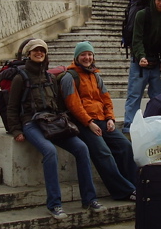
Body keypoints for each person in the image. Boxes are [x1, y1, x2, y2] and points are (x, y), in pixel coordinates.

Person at [6, 39, 106, 219]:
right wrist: (16, 130)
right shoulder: (20, 78)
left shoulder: (51, 78)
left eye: (42, 51)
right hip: (31, 123)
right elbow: (12, 107)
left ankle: (89, 199)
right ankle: (55, 204)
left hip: (52, 120)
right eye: (35, 50)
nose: (39, 53)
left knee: (82, 148)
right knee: (50, 151)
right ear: (29, 53)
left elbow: (59, 104)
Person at [61, 41, 137, 201]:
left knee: (125, 146)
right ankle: (123, 191)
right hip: (83, 124)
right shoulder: (70, 77)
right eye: (83, 54)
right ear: (76, 57)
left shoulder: (96, 75)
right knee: (103, 153)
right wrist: (89, 123)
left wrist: (110, 118)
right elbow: (73, 105)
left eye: (89, 54)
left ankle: (136, 185)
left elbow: (106, 99)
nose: (87, 57)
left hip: (102, 120)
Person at [122, 0, 161, 133]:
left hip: (156, 62)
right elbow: (137, 38)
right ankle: (129, 124)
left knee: (157, 96)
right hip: (140, 62)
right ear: (154, 0)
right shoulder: (142, 15)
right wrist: (141, 56)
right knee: (134, 94)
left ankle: (156, 122)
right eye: (159, 0)